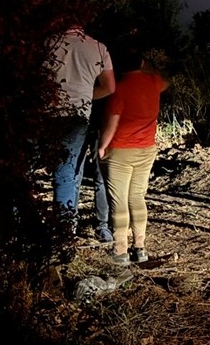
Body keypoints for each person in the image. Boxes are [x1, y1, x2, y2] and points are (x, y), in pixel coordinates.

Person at [97, 52, 168, 266]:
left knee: (119, 201)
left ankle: (120, 250)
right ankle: (140, 247)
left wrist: (102, 146)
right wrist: (150, 67)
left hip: (120, 150)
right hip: (146, 148)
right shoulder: (153, 82)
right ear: (141, 62)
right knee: (137, 197)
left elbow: (113, 121)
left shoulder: (119, 88)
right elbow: (165, 79)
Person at [49, 25, 116, 236]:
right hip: (79, 118)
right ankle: (67, 232)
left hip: (46, 114)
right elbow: (110, 87)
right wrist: (86, 96)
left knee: (32, 172)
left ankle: (21, 230)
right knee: (70, 175)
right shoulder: (98, 48)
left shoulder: (47, 43)